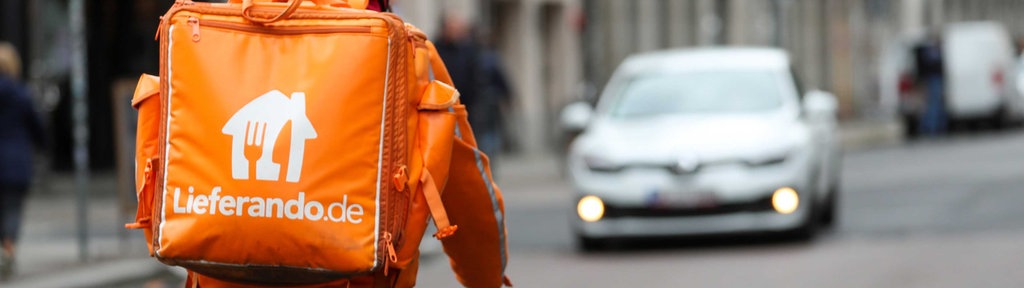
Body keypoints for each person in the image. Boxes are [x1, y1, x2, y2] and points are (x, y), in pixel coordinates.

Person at [435, 14, 511, 171]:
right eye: (453, 28)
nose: (456, 32)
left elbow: (481, 78)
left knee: (479, 142)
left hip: (472, 107)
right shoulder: (436, 48)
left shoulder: (469, 50)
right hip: (445, 106)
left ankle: (483, 170)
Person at [0, 41, 45, 280]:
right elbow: (37, 126)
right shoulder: (20, 93)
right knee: (13, 208)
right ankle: (8, 247)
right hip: (16, 162)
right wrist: (42, 145)